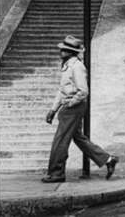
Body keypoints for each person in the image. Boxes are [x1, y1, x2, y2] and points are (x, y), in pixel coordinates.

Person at [42, 36, 118, 183]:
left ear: (70, 52)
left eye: (64, 49)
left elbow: (83, 91)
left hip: (73, 108)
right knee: (79, 139)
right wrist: (53, 109)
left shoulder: (77, 67)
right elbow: (62, 90)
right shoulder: (67, 66)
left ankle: (57, 173)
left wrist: (69, 104)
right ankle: (108, 159)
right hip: (69, 107)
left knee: (60, 140)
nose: (61, 51)